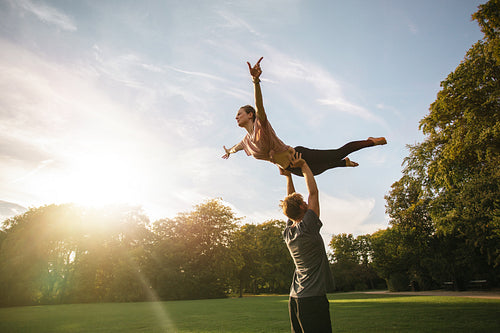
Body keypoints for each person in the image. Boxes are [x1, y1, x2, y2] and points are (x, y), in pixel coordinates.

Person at [222, 57, 387, 176]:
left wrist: (255, 81)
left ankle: (370, 141)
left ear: (250, 115)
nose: (236, 117)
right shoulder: (246, 141)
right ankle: (344, 163)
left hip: (298, 156)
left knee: (337, 153)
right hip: (292, 169)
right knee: (321, 170)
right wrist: (229, 151)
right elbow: (236, 147)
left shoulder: (260, 125)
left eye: (239, 114)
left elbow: (259, 106)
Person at [280, 152, 334, 332]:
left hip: (295, 299)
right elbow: (313, 192)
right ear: (303, 208)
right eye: (304, 202)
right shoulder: (308, 227)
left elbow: (291, 201)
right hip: (312, 299)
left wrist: (288, 176)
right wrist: (303, 166)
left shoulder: (289, 232)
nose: (306, 202)